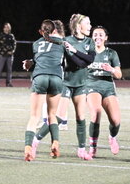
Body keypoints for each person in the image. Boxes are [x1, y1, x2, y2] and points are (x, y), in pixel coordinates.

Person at [32, 14, 96, 159]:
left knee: (81, 117)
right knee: (59, 116)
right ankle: (35, 141)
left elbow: (90, 60)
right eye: (87, 23)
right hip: (66, 82)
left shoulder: (89, 42)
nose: (90, 26)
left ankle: (81, 150)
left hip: (81, 84)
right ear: (78, 26)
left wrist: (74, 51)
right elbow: (80, 63)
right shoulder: (66, 41)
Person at [23, 20, 66, 161]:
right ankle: (55, 143)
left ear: (40, 31)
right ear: (54, 30)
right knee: (52, 114)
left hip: (40, 76)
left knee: (34, 117)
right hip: (56, 78)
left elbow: (38, 59)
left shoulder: (36, 43)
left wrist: (28, 63)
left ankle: (28, 148)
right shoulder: (62, 42)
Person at [85, 26, 122, 159]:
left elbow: (119, 75)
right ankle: (93, 146)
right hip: (91, 86)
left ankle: (112, 137)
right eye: (95, 34)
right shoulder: (86, 52)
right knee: (96, 113)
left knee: (115, 121)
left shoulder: (111, 53)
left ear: (106, 38)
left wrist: (111, 69)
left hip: (108, 87)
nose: (98, 37)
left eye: (101, 35)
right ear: (92, 37)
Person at [0, 22, 17, 87]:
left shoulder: (11, 36)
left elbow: (14, 45)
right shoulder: (0, 36)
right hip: (2, 55)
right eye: (6, 27)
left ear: (10, 28)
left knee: (9, 70)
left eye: (8, 27)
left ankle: (8, 83)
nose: (7, 28)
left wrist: (12, 51)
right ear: (3, 28)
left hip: (10, 55)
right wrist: (4, 52)